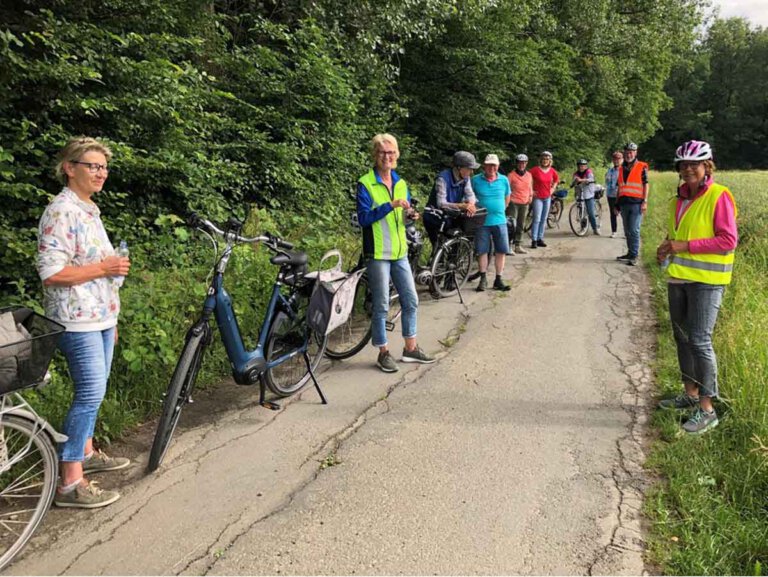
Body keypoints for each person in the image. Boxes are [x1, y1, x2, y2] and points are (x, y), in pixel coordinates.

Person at [37, 137, 131, 509]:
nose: (100, 173)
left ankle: (87, 451)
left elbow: (99, 269)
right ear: (69, 168)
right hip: (77, 321)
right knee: (89, 394)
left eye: (103, 167)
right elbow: (51, 272)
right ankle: (70, 483)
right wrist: (105, 267)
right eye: (91, 166)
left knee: (97, 391)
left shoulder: (88, 209)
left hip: (100, 316)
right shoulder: (61, 211)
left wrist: (112, 315)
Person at [656, 140, 737, 435]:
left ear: (707, 167)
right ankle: (689, 395)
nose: (688, 169)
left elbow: (728, 240)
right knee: (681, 337)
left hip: (707, 281)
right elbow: (676, 234)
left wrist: (684, 246)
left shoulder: (719, 195)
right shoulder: (677, 200)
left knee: (700, 340)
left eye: (695, 164)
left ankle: (707, 409)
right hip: (678, 278)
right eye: (684, 165)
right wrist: (665, 248)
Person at [356, 133, 436, 373]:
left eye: (391, 153)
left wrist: (410, 216)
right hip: (378, 253)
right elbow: (363, 218)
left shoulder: (401, 183)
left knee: (411, 299)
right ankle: (383, 352)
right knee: (380, 304)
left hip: (400, 251)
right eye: (382, 153)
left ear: (397, 155)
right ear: (375, 155)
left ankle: (410, 348)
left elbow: (404, 218)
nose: (387, 157)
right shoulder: (366, 183)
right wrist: (389, 206)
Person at [470, 154, 511, 292]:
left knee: (501, 250)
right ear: (484, 166)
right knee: (482, 250)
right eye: (489, 165)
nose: (491, 168)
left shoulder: (504, 180)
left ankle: (498, 279)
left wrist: (501, 209)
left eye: (494, 165)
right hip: (482, 221)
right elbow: (469, 196)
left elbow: (507, 197)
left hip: (500, 220)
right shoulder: (475, 180)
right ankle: (483, 278)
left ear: (498, 166)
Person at [424, 151, 478, 248]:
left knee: (454, 242)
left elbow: (470, 194)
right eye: (469, 168)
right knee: (437, 245)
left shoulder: (466, 178)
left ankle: (450, 260)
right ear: (459, 168)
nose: (471, 172)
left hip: (450, 216)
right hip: (435, 216)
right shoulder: (443, 178)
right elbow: (441, 203)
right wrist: (461, 205)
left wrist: (471, 204)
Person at [615, 142, 649, 266]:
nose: (629, 154)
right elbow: (620, 187)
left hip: (636, 203)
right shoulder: (621, 168)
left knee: (634, 230)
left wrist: (645, 201)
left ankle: (634, 255)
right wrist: (617, 204)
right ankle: (630, 252)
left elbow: (646, 184)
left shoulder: (641, 166)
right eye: (627, 152)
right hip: (624, 203)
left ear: (635, 153)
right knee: (627, 230)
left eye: (631, 152)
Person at [528, 151, 559, 249]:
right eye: (543, 159)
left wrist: (553, 188)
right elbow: (527, 178)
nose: (545, 161)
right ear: (540, 160)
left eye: (547, 159)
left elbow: (556, 179)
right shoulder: (535, 170)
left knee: (544, 218)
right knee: (536, 218)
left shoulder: (552, 171)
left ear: (550, 161)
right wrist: (531, 190)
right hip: (538, 197)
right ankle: (534, 239)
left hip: (547, 197)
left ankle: (540, 238)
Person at [506, 153, 533, 254]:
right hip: (513, 203)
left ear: (526, 164)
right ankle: (509, 245)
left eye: (524, 163)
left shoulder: (529, 175)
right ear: (516, 163)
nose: (521, 165)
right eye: (520, 163)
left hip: (524, 202)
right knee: (511, 225)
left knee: (521, 225)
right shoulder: (511, 175)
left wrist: (530, 196)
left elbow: (530, 187)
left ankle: (518, 245)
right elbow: (506, 189)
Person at [571, 159, 600, 235]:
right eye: (580, 165)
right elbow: (574, 179)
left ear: (586, 166)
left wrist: (584, 180)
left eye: (583, 165)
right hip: (580, 194)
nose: (582, 167)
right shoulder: (576, 173)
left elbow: (591, 179)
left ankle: (595, 228)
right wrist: (575, 181)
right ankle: (583, 227)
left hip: (589, 194)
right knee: (581, 212)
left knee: (590, 213)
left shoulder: (588, 172)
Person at [605, 150, 623, 238]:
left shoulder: (624, 170)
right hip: (611, 194)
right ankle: (614, 231)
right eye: (615, 159)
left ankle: (626, 232)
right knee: (613, 213)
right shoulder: (610, 170)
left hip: (621, 195)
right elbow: (607, 180)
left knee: (624, 214)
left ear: (622, 160)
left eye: (618, 159)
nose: (616, 161)